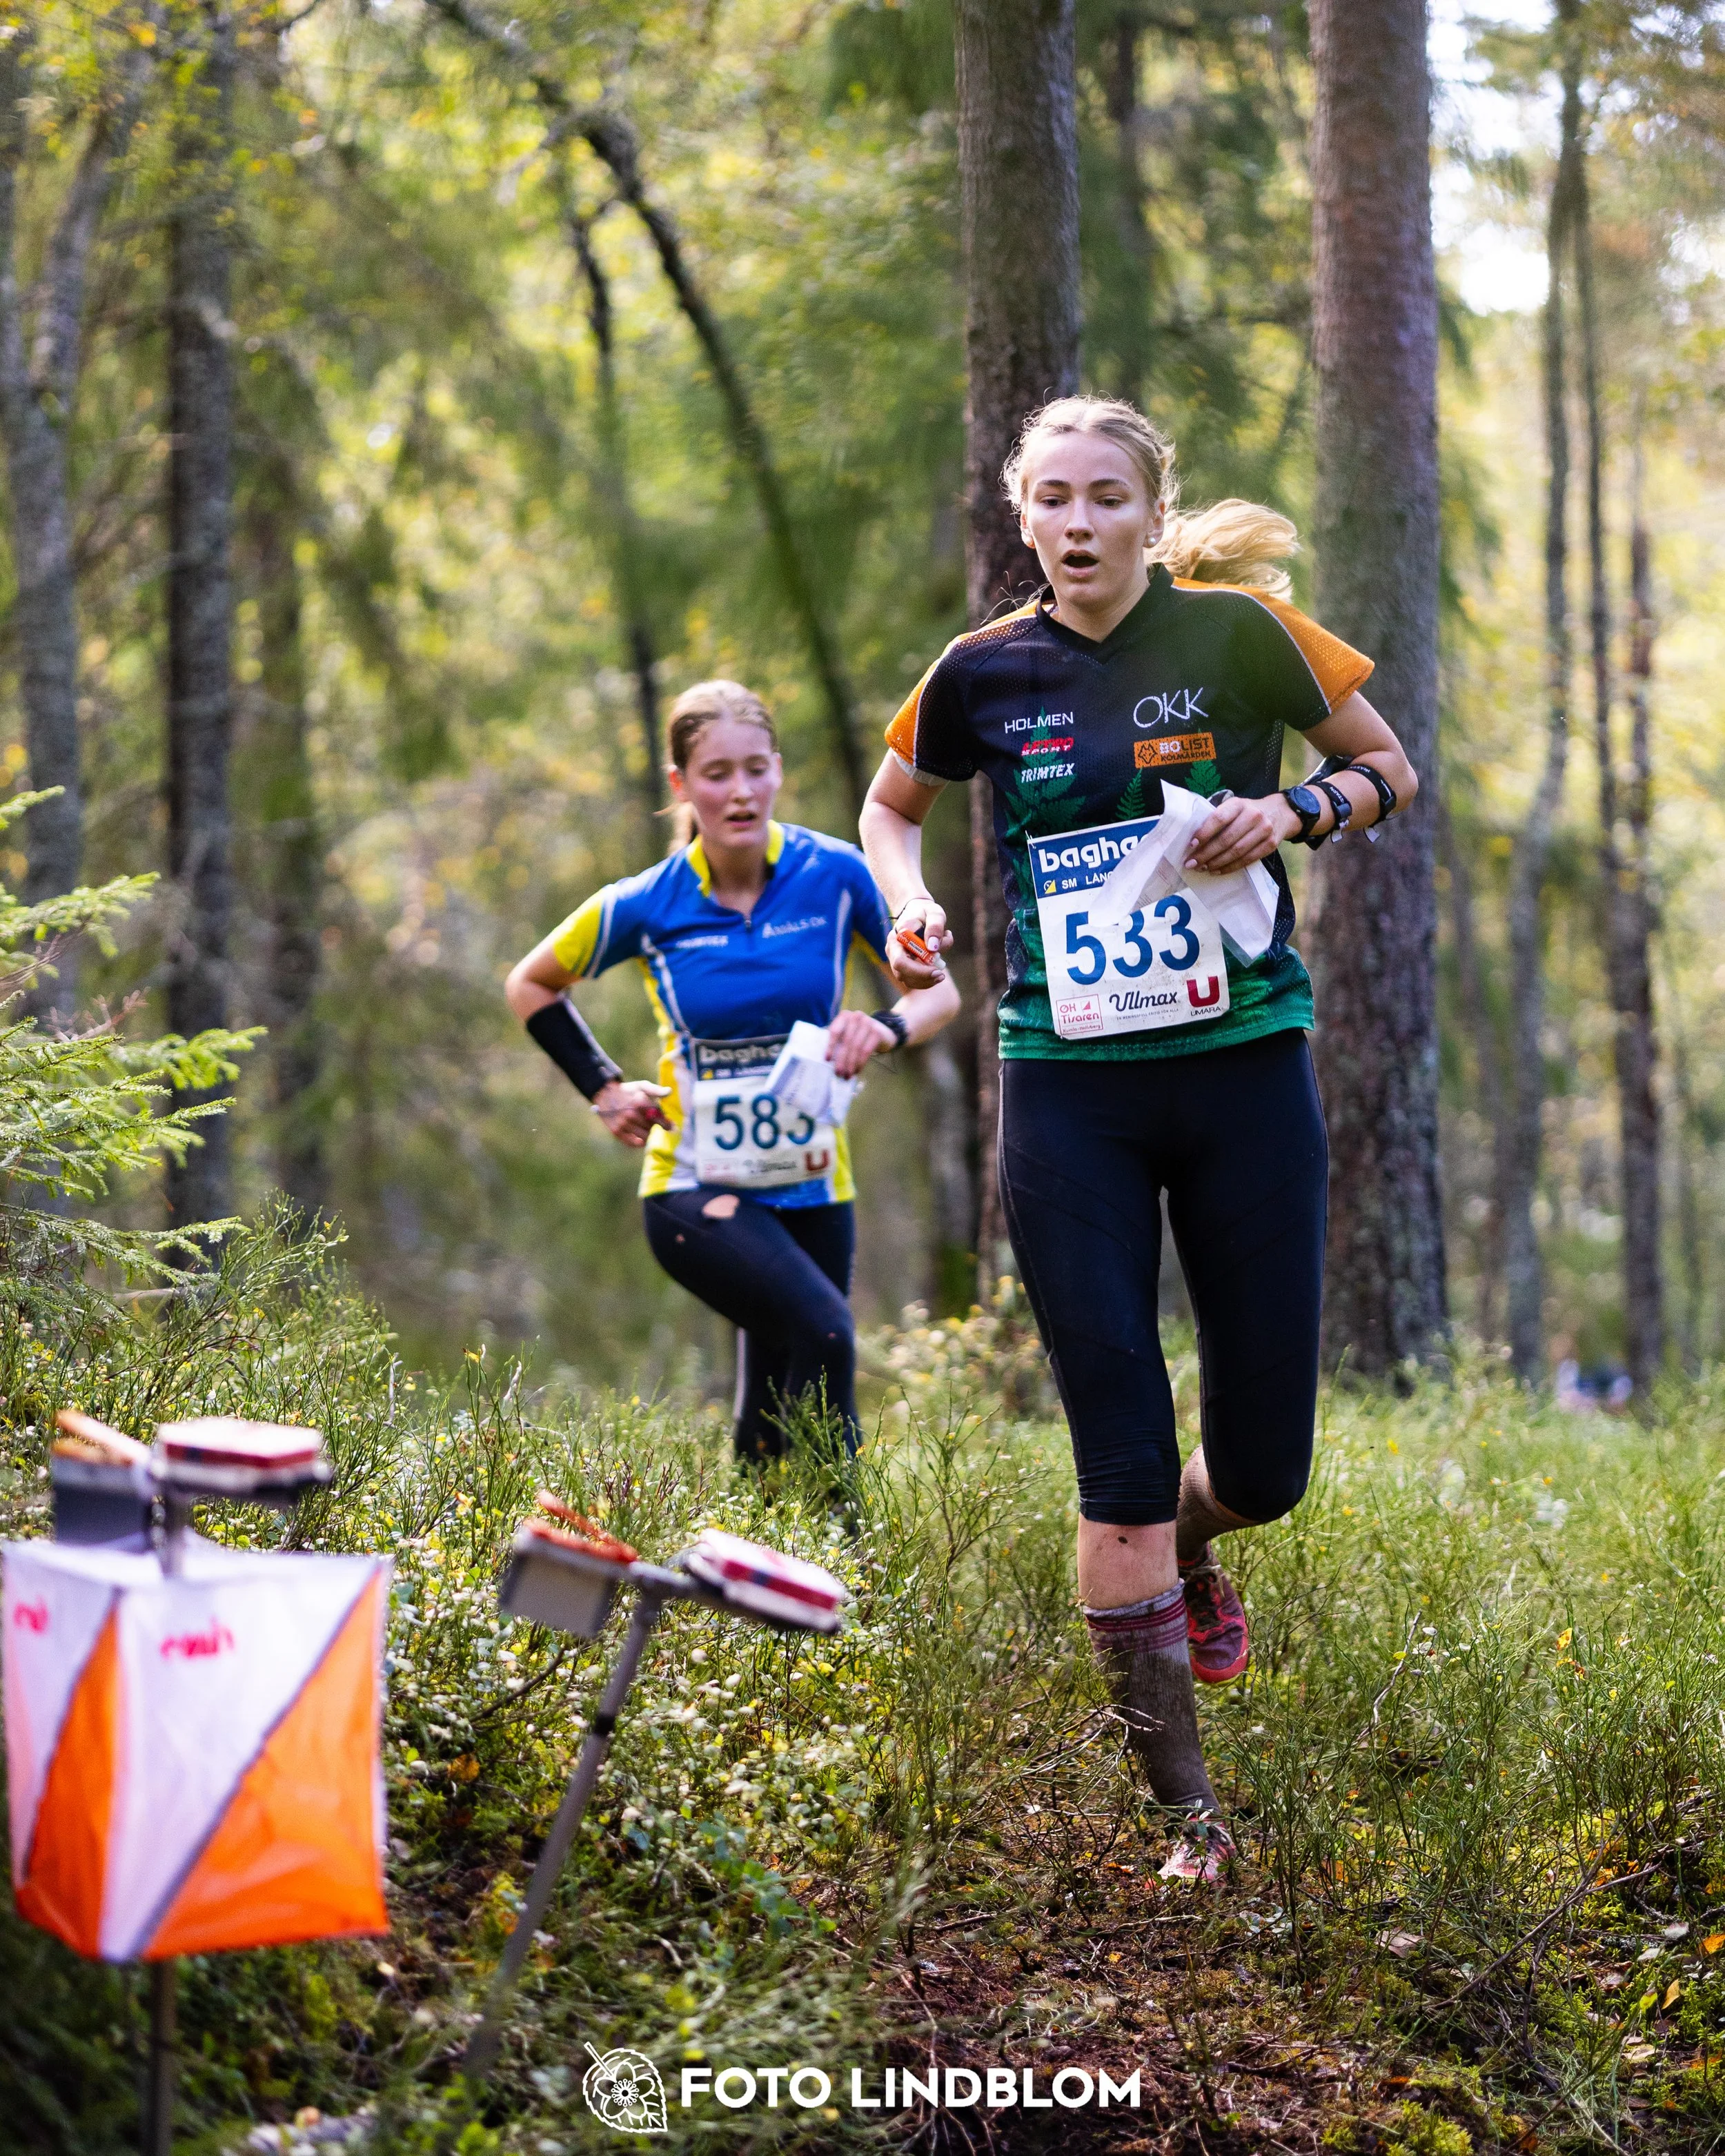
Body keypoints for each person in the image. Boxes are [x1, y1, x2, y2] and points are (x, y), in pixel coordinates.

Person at [859, 396, 1418, 1878]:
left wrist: (1290, 809)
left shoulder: (1242, 635)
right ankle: (1188, 1817)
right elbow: (888, 803)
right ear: (1021, 513)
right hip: (1067, 1083)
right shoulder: (983, 670)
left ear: (1144, 505)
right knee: (1116, 1441)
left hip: (1240, 1067)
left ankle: (1196, 1544)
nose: (1080, 521)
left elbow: (1387, 766)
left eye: (1106, 495)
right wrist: (905, 904)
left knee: (1262, 1463)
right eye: (1053, 498)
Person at [507, 680, 960, 1465]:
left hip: (816, 1183)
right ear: (681, 785)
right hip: (693, 1184)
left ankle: (761, 1556)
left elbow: (940, 995)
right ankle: (839, 1562)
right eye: (717, 773)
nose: (741, 791)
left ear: (778, 771)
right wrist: (604, 1087)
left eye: (756, 768)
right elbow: (530, 983)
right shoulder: (650, 902)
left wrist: (881, 1027)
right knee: (824, 1332)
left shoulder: (835, 873)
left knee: (790, 1386)